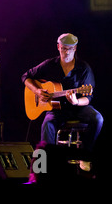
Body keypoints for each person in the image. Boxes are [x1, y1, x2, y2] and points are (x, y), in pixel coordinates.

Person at [22, 33, 103, 170]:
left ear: (75, 49)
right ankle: (44, 166)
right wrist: (37, 91)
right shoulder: (49, 64)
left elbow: (88, 98)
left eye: (70, 49)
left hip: (77, 108)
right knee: (47, 124)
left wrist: (76, 102)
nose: (66, 52)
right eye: (64, 48)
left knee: (98, 119)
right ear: (58, 47)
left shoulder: (84, 68)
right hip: (56, 109)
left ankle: (85, 156)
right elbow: (26, 77)